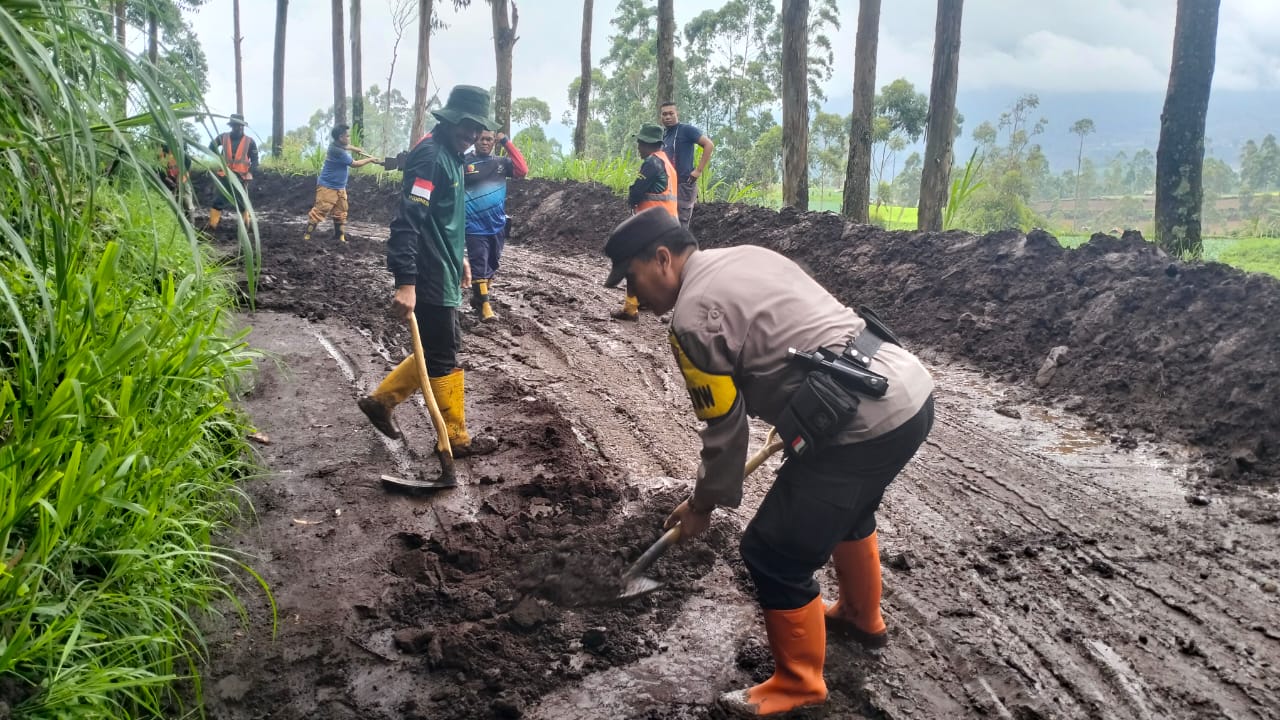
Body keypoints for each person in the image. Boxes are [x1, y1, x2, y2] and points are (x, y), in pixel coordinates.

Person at [602, 208, 936, 717]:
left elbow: (725, 432)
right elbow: (799, 332)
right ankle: (859, 616)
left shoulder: (691, 320)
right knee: (851, 510)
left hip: (859, 421)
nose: (635, 294)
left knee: (772, 552)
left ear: (662, 259)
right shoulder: (745, 255)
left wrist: (702, 506)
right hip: (905, 390)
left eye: (632, 277)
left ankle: (799, 685)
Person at [357, 85, 499, 461]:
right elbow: (408, 222)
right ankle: (454, 437)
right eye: (467, 126)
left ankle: (381, 401)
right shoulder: (430, 158)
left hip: (446, 269)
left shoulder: (453, 156)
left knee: (439, 348)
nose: (471, 135)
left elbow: (445, 218)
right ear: (451, 119)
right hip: (429, 275)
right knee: (443, 354)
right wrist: (406, 281)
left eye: (477, 128)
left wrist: (461, 258)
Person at [613, 123, 678, 321]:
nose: (638, 147)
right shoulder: (667, 163)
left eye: (640, 143)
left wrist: (632, 200)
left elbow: (637, 191)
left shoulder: (651, 163)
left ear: (648, 144)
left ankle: (630, 309)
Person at [463, 129, 528, 322]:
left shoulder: (501, 164)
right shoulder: (464, 163)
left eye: (489, 139)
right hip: (473, 225)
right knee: (479, 264)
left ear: (493, 142)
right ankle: (485, 306)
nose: (485, 142)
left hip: (497, 224)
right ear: (475, 140)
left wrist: (506, 142)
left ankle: (478, 297)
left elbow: (522, 170)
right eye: (481, 138)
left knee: (492, 264)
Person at [305, 124, 382, 243]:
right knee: (320, 210)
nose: (349, 138)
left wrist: (354, 148)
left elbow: (346, 146)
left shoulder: (336, 145)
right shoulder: (337, 151)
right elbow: (354, 164)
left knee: (341, 211)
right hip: (328, 186)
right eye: (347, 136)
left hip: (340, 186)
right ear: (341, 137)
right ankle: (307, 236)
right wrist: (370, 160)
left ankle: (339, 237)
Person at [659, 101, 715, 229]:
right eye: (664, 114)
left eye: (671, 113)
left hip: (684, 185)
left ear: (677, 113)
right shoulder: (664, 134)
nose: (667, 117)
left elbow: (709, 145)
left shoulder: (686, 130)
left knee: (681, 223)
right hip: (668, 186)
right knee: (668, 223)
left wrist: (698, 170)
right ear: (660, 116)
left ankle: (682, 248)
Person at [207, 113, 258, 230]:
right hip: (224, 175)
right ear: (231, 126)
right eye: (235, 125)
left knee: (242, 203)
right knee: (218, 201)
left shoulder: (250, 142)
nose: (238, 128)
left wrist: (251, 172)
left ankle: (246, 227)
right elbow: (211, 146)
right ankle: (212, 227)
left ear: (243, 126)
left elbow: (255, 160)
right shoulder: (223, 137)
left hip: (241, 177)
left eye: (240, 126)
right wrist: (219, 158)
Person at [158, 142, 196, 218]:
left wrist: (180, 183)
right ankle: (174, 217)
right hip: (168, 179)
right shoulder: (164, 154)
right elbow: (161, 170)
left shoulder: (186, 159)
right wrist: (169, 180)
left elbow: (186, 173)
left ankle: (191, 222)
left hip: (182, 177)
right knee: (171, 200)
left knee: (186, 200)